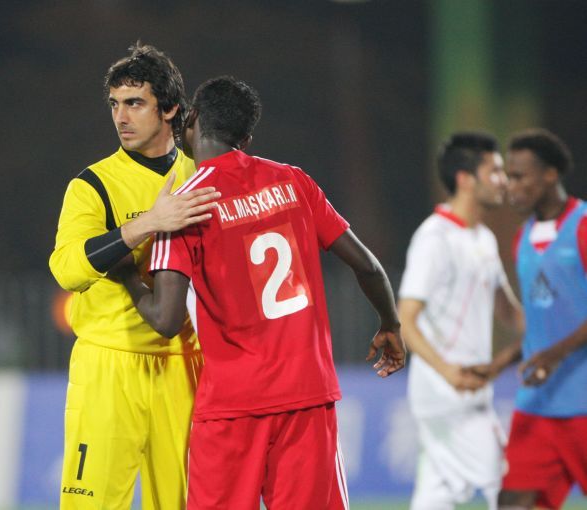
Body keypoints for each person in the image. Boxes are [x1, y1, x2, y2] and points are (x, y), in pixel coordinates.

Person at [114, 76, 406, 510]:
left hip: (232, 405)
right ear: (246, 140)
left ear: (192, 120)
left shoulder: (183, 206)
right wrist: (390, 324)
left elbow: (166, 319)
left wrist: (127, 276)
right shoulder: (293, 181)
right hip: (306, 395)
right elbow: (367, 266)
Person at [48, 43, 220, 510]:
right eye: (115, 104)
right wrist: (147, 223)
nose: (121, 117)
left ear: (170, 109)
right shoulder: (93, 185)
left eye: (135, 103)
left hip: (185, 365)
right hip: (108, 366)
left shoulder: (202, 179)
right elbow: (66, 269)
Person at [398, 132, 524, 510]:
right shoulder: (434, 238)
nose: (503, 180)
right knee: (510, 484)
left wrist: (554, 332)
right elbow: (406, 319)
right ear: (466, 179)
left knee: (435, 494)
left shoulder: (483, 238)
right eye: (494, 171)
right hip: (450, 392)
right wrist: (448, 372)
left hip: (464, 390)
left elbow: (508, 311)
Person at [498, 129, 587, 510]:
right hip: (537, 405)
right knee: (511, 503)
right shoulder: (522, 238)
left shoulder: (582, 226)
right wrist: (498, 364)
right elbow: (541, 326)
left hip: (583, 403)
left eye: (520, 176)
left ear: (550, 175)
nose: (511, 186)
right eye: (508, 177)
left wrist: (554, 355)